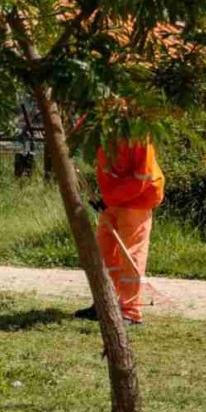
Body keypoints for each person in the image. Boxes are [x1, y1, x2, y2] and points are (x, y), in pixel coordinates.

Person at [74, 136, 164, 326]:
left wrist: (109, 199)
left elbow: (140, 181)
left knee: (130, 254)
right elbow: (79, 131)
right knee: (103, 252)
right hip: (112, 198)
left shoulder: (139, 136)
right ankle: (104, 303)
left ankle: (130, 311)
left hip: (138, 200)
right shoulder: (100, 126)